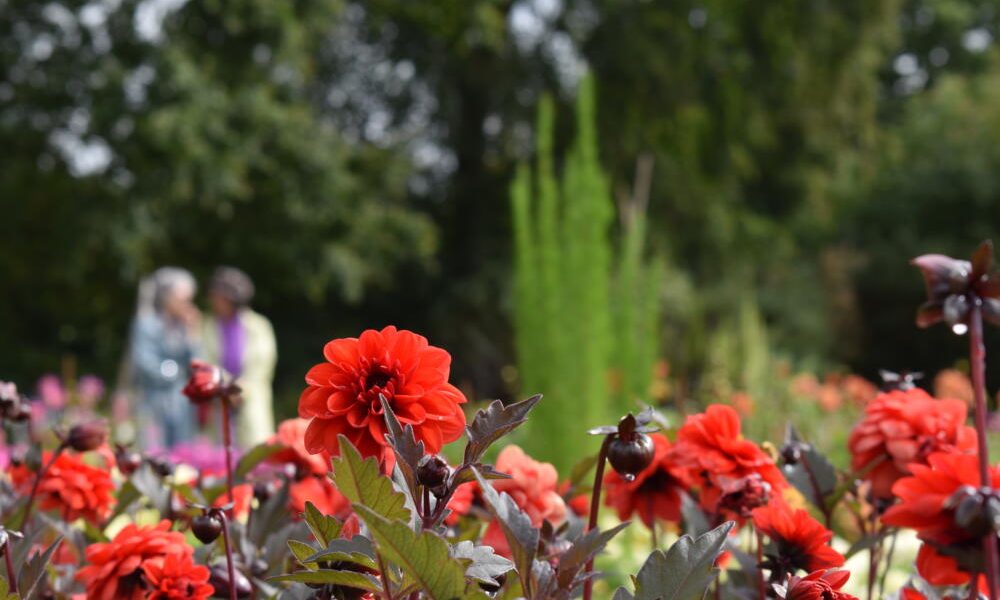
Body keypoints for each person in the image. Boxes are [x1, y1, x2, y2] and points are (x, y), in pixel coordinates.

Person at [202, 267, 277, 447]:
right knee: (221, 459)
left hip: (250, 402)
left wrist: (240, 388)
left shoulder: (259, 326)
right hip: (220, 401)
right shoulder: (208, 327)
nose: (213, 300)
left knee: (254, 456)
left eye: (217, 296)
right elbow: (205, 362)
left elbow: (262, 365)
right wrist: (225, 386)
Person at [128, 267, 201, 448]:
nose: (187, 304)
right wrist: (176, 371)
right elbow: (145, 364)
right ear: (167, 297)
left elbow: (198, 365)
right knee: (154, 455)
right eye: (183, 298)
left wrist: (193, 336)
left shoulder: (185, 328)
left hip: (182, 406)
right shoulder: (147, 324)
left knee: (183, 457)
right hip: (152, 403)